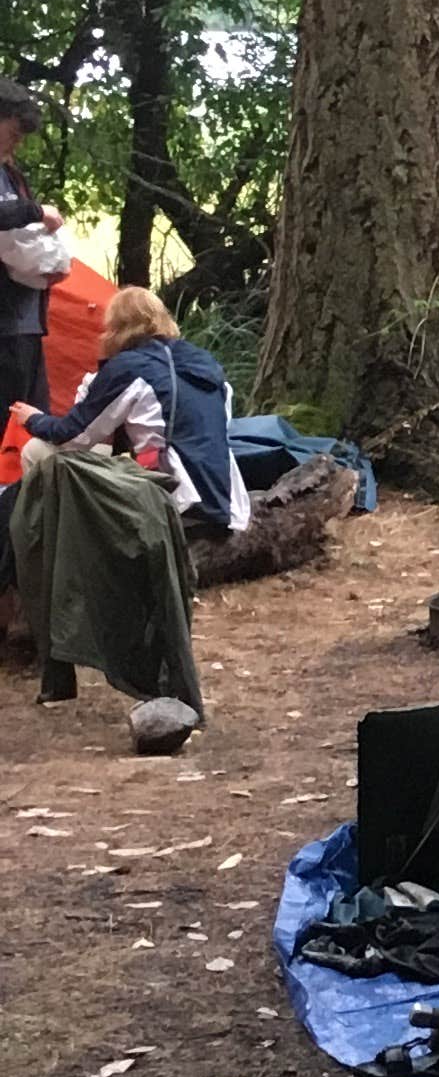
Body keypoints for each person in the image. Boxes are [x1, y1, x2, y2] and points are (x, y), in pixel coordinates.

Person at [7, 282, 247, 740]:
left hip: (172, 494)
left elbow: (73, 435)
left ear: (117, 329)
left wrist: (31, 417)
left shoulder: (129, 368)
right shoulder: (207, 365)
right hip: (224, 496)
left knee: (41, 454)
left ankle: (47, 555)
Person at [0, 79, 67, 424]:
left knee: (33, 417)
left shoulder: (11, 173)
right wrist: (37, 212)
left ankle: (27, 479)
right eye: (14, 130)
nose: (19, 140)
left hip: (26, 320)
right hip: (5, 323)